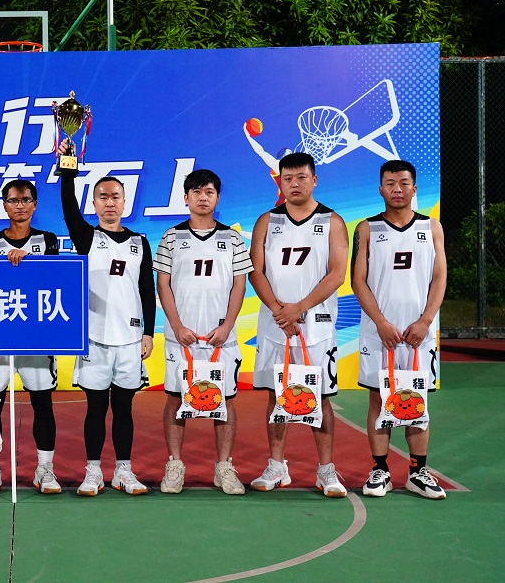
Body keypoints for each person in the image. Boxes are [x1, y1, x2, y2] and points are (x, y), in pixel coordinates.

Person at [59, 142, 156, 496]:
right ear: (95, 203)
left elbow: (147, 290)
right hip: (94, 339)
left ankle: (123, 471)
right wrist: (68, 169)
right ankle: (94, 472)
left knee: (124, 409)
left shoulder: (140, 243)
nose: (110, 202)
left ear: (125, 202)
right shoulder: (87, 237)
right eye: (103, 197)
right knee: (96, 409)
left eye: (115, 196)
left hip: (130, 340)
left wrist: (148, 332)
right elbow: (68, 208)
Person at [249, 152, 349, 497]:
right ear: (281, 182)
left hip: (315, 326)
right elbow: (255, 271)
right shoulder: (267, 221)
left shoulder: (332, 221)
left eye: (301, 177)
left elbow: (338, 273)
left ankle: (326, 471)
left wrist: (299, 309)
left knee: (319, 397)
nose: (294, 184)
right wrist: (280, 311)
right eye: (287, 178)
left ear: (314, 180)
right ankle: (277, 467)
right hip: (275, 324)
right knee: (277, 396)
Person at [352, 160, 447, 500]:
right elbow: (358, 281)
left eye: (403, 183)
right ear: (380, 189)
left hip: (419, 334)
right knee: (378, 399)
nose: (397, 189)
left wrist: (425, 321)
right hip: (379, 333)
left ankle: (418, 472)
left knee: (416, 400)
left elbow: (440, 278)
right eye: (390, 183)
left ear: (414, 189)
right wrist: (380, 322)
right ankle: (380, 470)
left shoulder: (431, 227)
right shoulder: (366, 229)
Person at [154, 169, 252, 495]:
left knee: (224, 400)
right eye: (196, 192)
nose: (202, 197)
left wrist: (227, 326)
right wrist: (177, 326)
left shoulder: (233, 239)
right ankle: (174, 465)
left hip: (220, 339)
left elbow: (240, 285)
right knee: (175, 399)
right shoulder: (171, 237)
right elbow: (163, 285)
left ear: (217, 198)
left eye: (209, 192)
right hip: (180, 338)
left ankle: (224, 467)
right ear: (186, 198)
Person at [0, 179, 61, 494]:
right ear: (4, 205)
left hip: (36, 339)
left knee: (43, 404)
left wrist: (29, 263)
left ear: (35, 204)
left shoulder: (47, 240)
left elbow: (56, 281)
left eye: (26, 200)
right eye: (13, 200)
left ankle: (45, 469)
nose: (20, 205)